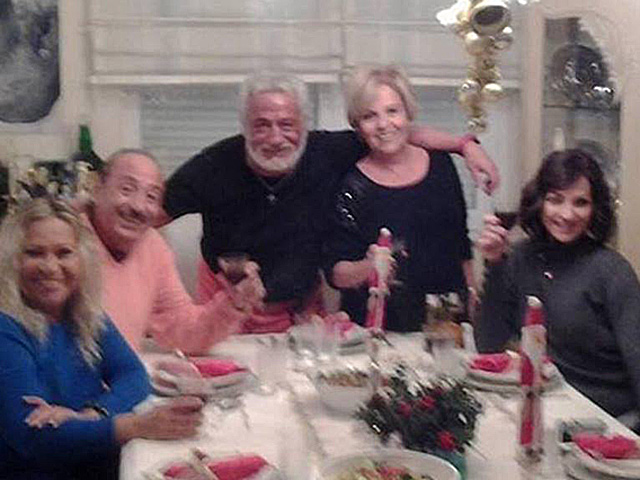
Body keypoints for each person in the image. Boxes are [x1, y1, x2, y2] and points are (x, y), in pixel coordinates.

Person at [163, 72, 496, 333]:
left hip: (299, 309)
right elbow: (149, 213)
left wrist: (464, 145)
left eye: (287, 124)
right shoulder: (213, 165)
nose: (276, 138)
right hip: (225, 302)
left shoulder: (327, 152)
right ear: (245, 126)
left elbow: (399, 133)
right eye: (261, 125)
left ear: (304, 125)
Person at [0, 198, 204, 479]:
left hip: (96, 464)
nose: (50, 267)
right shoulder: (6, 328)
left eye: (64, 253)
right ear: (12, 261)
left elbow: (133, 374)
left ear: (82, 259)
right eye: (35, 253)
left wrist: (92, 414)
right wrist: (134, 426)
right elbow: (33, 437)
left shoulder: (83, 314)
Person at [477, 149, 640, 424]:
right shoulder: (520, 258)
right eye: (555, 200)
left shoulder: (612, 271)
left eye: (580, 203)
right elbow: (489, 347)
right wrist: (495, 264)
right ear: (539, 202)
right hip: (544, 408)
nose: (567, 214)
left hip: (606, 418)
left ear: (595, 209)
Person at [324, 65, 475, 331]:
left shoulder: (441, 165)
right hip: (378, 329)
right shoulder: (351, 185)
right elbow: (336, 273)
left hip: (445, 323)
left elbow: (461, 245)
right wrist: (369, 267)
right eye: (369, 116)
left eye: (392, 111)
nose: (383, 125)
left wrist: (473, 304)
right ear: (357, 126)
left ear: (408, 113)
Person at [88, 148, 265, 352]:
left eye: (151, 197)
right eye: (127, 189)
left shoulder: (152, 246)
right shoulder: (67, 243)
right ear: (97, 188)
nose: (138, 207)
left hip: (123, 370)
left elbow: (183, 331)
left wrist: (233, 302)